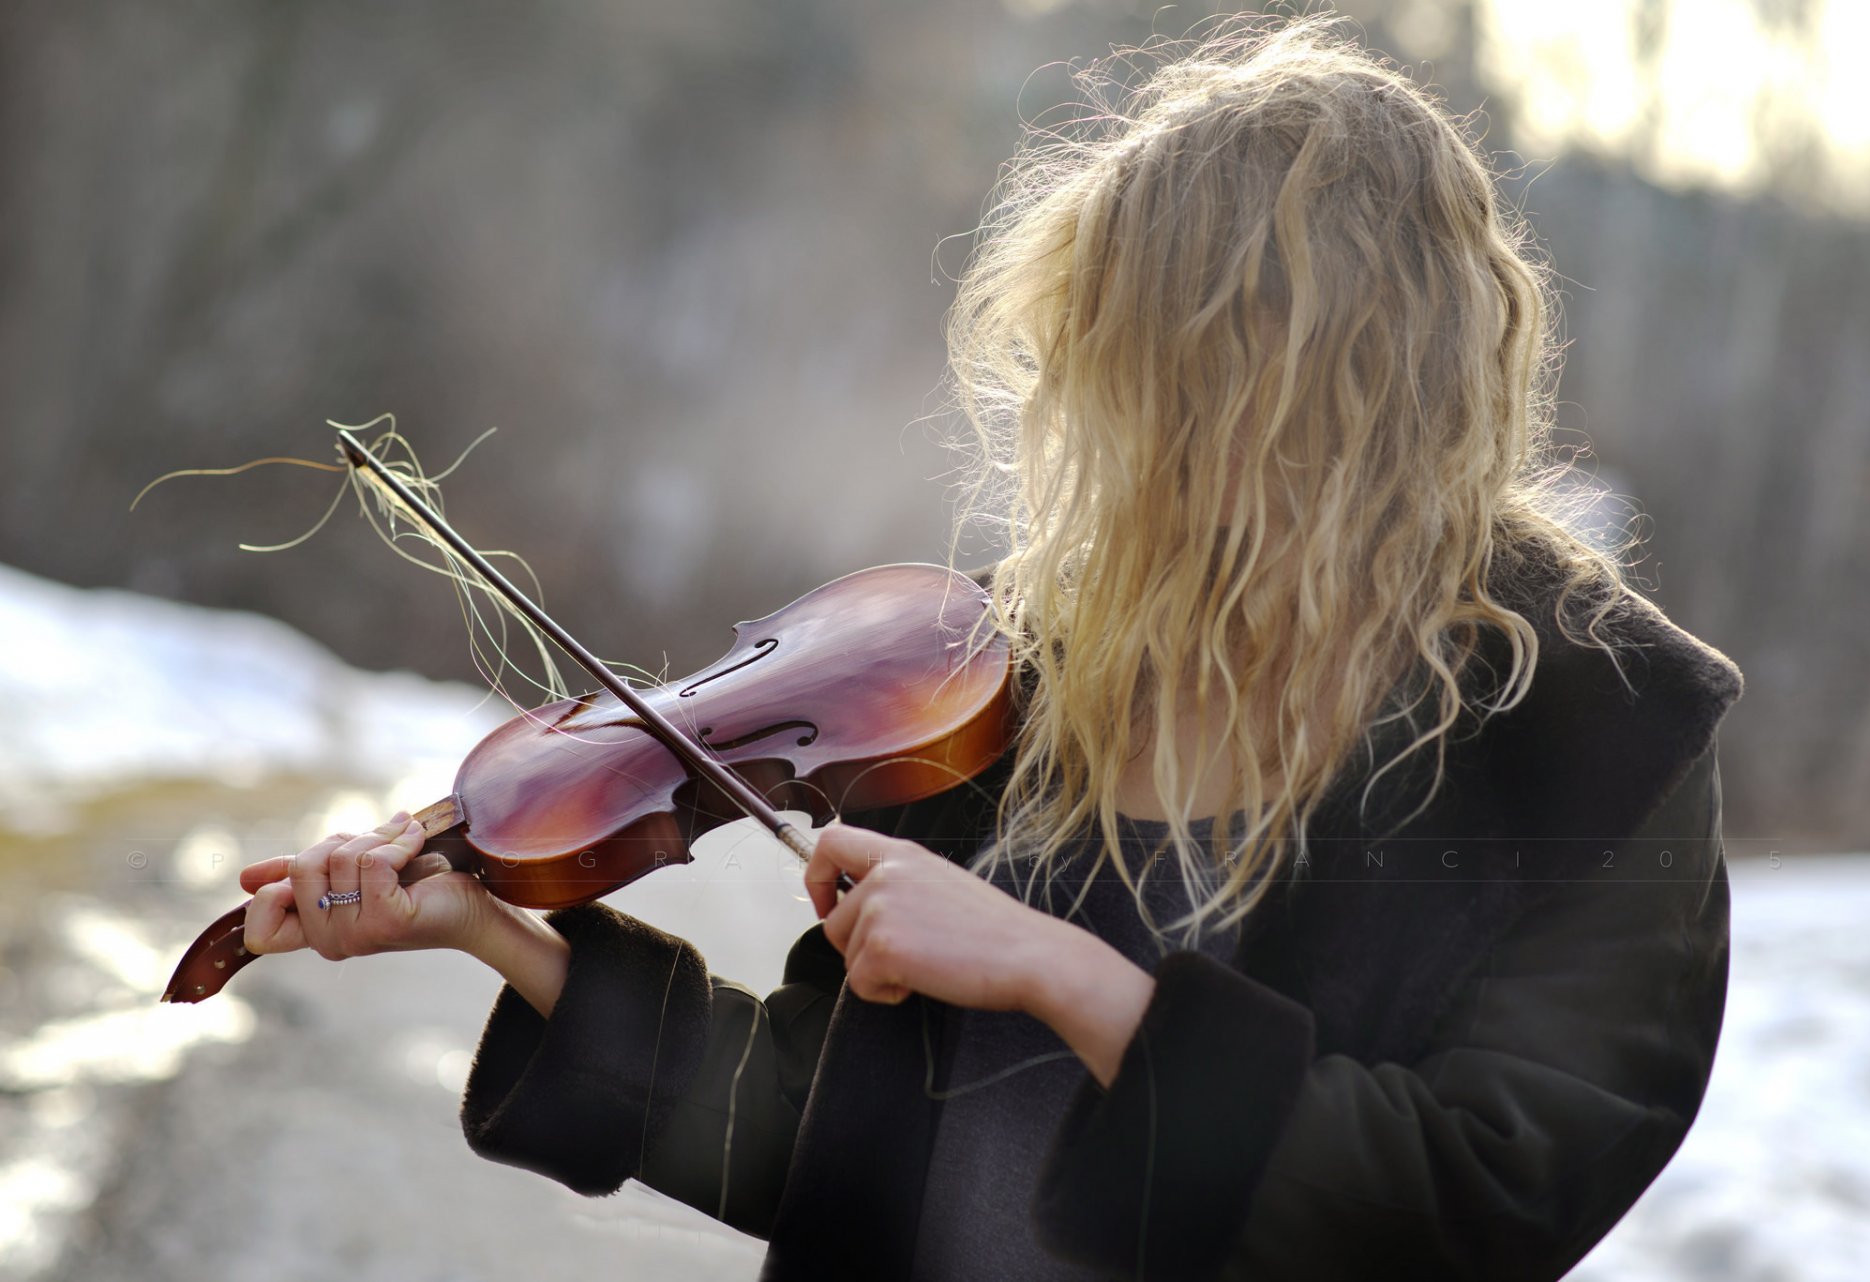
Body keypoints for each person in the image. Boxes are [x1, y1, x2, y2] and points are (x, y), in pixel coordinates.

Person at [238, 16, 1745, 1280]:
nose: (1120, 438)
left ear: (1361, 384)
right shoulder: (982, 682)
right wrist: (496, 931)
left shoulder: (1595, 738)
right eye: (1115, 375)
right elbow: (819, 1143)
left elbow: (1482, 1203)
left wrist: (1070, 979)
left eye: (1189, 381)